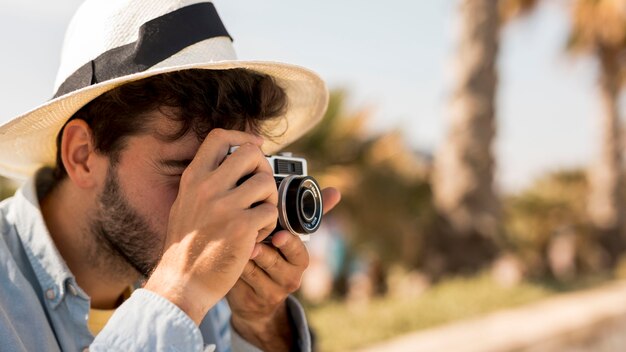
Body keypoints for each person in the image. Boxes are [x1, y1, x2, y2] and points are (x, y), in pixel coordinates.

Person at [0, 0, 340, 351]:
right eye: (188, 169)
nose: (214, 200)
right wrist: (179, 294)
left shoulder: (212, 291)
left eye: (234, 169)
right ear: (82, 156)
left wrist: (259, 324)